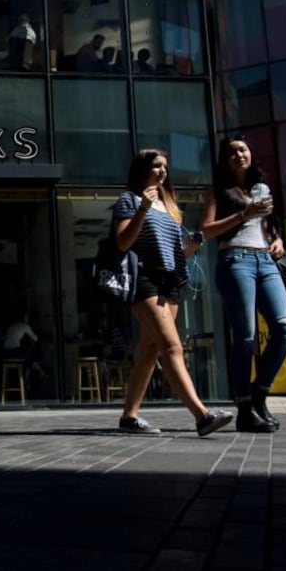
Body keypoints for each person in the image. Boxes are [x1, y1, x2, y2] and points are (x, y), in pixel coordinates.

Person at [112, 149, 233, 436]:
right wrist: (142, 208)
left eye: (165, 166)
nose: (163, 171)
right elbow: (122, 243)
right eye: (156, 166)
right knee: (172, 346)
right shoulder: (128, 200)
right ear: (143, 169)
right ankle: (202, 415)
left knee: (150, 350)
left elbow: (175, 254)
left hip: (170, 282)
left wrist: (191, 248)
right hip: (144, 279)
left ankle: (129, 417)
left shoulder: (169, 206)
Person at [201, 134, 286, 433]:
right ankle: (244, 407)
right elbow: (207, 230)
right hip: (235, 260)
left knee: (284, 329)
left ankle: (259, 394)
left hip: (266, 261)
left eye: (243, 149)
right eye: (232, 152)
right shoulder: (218, 190)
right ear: (224, 160)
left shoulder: (262, 188)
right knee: (245, 337)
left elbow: (268, 225)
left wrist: (278, 239)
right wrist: (244, 213)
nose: (239, 155)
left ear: (250, 153)